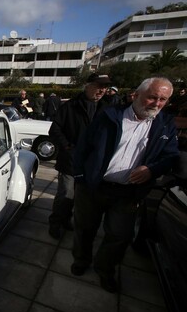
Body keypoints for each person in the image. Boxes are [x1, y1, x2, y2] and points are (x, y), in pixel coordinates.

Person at [71, 77, 179, 293]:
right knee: (84, 228)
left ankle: (105, 270)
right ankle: (82, 260)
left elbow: (170, 156)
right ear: (137, 95)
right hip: (94, 186)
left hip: (128, 193)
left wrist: (151, 170)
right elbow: (83, 146)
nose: (157, 104)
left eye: (163, 99)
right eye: (152, 97)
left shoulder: (165, 125)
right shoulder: (110, 115)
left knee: (119, 236)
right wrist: (81, 176)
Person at [47, 73, 112, 239]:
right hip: (70, 160)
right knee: (66, 194)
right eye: (99, 86)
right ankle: (56, 223)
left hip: (92, 164)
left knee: (79, 196)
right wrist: (67, 146)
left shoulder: (107, 108)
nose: (102, 90)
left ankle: (66, 219)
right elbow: (54, 129)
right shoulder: (70, 106)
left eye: (105, 87)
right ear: (88, 85)